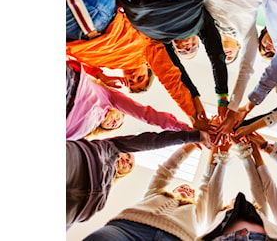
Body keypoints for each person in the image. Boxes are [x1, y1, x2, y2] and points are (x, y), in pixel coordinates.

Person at [105, 0, 230, 118]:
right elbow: (216, 54)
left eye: (182, 51)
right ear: (198, 40)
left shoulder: (156, 43)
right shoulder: (198, 22)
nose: (187, 48)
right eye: (191, 48)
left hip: (140, 1)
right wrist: (222, 95)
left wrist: (194, 101)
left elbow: (174, 71)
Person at [67, 8, 208, 124]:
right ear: (149, 68)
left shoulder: (106, 66)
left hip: (70, 39)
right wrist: (194, 116)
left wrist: (101, 76)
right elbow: (172, 81)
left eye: (130, 81)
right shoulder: (147, 51)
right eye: (140, 78)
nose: (133, 77)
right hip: (98, 21)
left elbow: (80, 64)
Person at [67, 130, 211, 231]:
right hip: (80, 162)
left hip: (82, 205)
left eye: (130, 165)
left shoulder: (105, 191)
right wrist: (193, 139)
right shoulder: (110, 148)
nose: (128, 161)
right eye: (129, 156)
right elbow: (166, 167)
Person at [82, 142, 224, 241]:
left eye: (190, 191)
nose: (187, 188)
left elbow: (207, 185)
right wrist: (193, 142)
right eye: (182, 187)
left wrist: (217, 150)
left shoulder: (198, 210)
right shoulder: (155, 193)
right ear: (172, 190)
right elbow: (166, 170)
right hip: (128, 228)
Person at [203, 0, 274, 137]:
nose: (226, 55)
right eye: (231, 57)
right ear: (239, 49)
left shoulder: (206, 33)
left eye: (225, 58)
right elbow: (246, 69)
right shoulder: (248, 36)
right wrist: (232, 108)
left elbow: (216, 59)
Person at [66, 58, 195, 141]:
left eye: (114, 126)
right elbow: (147, 115)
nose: (115, 121)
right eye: (120, 119)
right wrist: (185, 128)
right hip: (72, 86)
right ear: (120, 110)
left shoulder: (88, 132)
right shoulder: (110, 97)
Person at [196, 139, 277, 240]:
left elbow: (214, 191)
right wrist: (244, 156)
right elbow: (216, 190)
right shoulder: (219, 216)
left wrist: (227, 156)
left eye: (235, 201)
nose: (237, 200)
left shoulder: (258, 212)